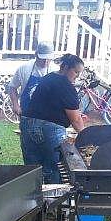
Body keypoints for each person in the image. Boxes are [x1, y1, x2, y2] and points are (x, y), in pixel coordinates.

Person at [22, 54, 85, 183]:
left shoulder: (48, 78)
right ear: (65, 67)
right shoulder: (66, 85)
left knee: (32, 171)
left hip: (27, 124)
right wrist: (86, 136)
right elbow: (76, 121)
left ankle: (34, 200)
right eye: (76, 72)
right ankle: (53, 201)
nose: (77, 76)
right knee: (53, 170)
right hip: (48, 129)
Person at [7, 41, 55, 162]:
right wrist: (15, 105)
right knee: (29, 153)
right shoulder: (24, 69)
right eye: (42, 58)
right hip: (27, 117)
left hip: (49, 119)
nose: (45, 62)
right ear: (36, 55)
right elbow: (12, 87)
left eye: (48, 59)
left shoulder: (55, 71)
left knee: (49, 155)